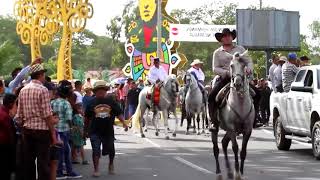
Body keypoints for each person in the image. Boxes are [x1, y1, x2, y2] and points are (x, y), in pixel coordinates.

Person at [16, 64, 58, 180]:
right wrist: (53, 136)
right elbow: (47, 115)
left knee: (28, 163)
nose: (44, 77)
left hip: (27, 130)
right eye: (44, 74)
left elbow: (19, 116)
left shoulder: (23, 90)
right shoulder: (43, 90)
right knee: (43, 163)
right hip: (42, 131)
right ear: (40, 75)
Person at [208, 28, 253, 128]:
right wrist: (226, 73)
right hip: (225, 78)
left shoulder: (241, 49)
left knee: (257, 93)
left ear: (232, 37)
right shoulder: (217, 52)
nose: (227, 38)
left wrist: (249, 69)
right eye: (225, 36)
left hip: (241, 77)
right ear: (221, 39)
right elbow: (215, 68)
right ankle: (213, 121)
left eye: (229, 35)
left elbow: (249, 61)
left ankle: (255, 119)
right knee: (211, 97)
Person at [85, 80, 128, 177]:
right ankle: (96, 169)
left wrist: (124, 123)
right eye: (98, 90)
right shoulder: (91, 103)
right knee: (96, 150)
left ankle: (111, 163)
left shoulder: (111, 101)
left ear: (105, 91)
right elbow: (86, 118)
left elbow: (118, 113)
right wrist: (85, 131)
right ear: (95, 92)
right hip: (95, 131)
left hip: (108, 131)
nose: (101, 92)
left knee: (110, 150)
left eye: (103, 90)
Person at [51, 84, 82, 179]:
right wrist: (72, 127)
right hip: (64, 130)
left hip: (54, 130)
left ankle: (60, 171)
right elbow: (69, 118)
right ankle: (66, 172)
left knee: (57, 152)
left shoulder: (52, 102)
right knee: (66, 152)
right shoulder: (66, 103)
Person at [0, 94, 18, 180]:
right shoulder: (5, 116)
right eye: (15, 103)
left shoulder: (2, 111)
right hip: (4, 146)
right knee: (5, 171)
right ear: (11, 104)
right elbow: (10, 135)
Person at [70, 100, 88, 165]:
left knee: (74, 146)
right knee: (81, 146)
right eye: (80, 108)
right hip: (78, 133)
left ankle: (74, 159)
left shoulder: (77, 116)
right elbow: (79, 126)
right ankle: (84, 160)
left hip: (75, 133)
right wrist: (82, 134)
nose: (82, 110)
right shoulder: (77, 117)